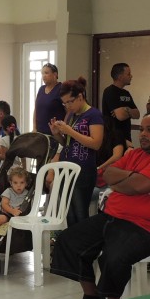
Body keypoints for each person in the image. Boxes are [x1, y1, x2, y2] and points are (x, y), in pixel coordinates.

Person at [52, 112, 150, 299]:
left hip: (146, 227)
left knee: (113, 257)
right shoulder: (134, 154)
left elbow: (139, 185)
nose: (143, 135)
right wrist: (131, 178)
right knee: (69, 240)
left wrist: (125, 182)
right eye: (141, 130)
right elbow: (108, 173)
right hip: (112, 216)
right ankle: (91, 296)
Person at [49, 77, 104, 225]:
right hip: (67, 167)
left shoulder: (94, 114)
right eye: (64, 103)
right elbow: (67, 143)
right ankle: (71, 244)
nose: (67, 106)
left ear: (80, 96)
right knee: (68, 212)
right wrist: (56, 133)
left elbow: (96, 143)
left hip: (83, 170)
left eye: (70, 101)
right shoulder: (71, 115)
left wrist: (70, 131)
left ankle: (82, 245)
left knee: (80, 213)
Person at [101, 62, 140, 147]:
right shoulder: (109, 91)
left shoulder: (126, 93)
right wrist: (129, 112)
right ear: (120, 77)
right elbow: (120, 116)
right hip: (114, 139)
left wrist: (126, 109)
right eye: (128, 74)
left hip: (127, 136)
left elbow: (137, 114)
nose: (131, 76)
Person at [33, 63, 65, 135]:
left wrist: (64, 128)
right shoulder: (41, 89)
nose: (43, 76)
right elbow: (36, 109)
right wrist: (34, 127)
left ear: (55, 74)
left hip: (55, 134)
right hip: (39, 133)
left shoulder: (61, 88)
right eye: (42, 74)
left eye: (46, 73)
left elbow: (68, 111)